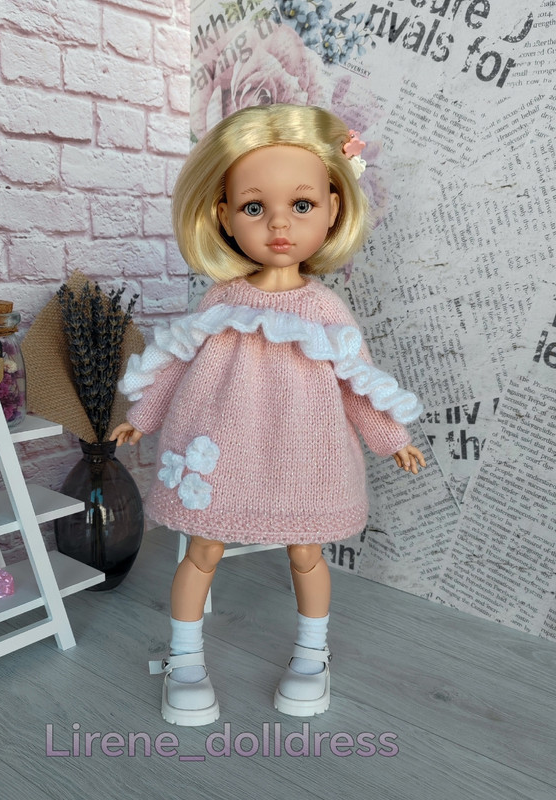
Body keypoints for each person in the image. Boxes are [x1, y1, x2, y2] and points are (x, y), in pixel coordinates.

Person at [111, 103, 426, 726]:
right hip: (220, 446)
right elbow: (175, 361)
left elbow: (358, 383)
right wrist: (141, 416)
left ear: (333, 208)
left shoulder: (325, 310)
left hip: (303, 451)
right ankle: (185, 659)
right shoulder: (222, 298)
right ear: (223, 215)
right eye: (254, 207)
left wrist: (392, 437)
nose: (279, 223)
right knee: (202, 549)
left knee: (306, 551)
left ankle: (312, 656)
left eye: (301, 205)